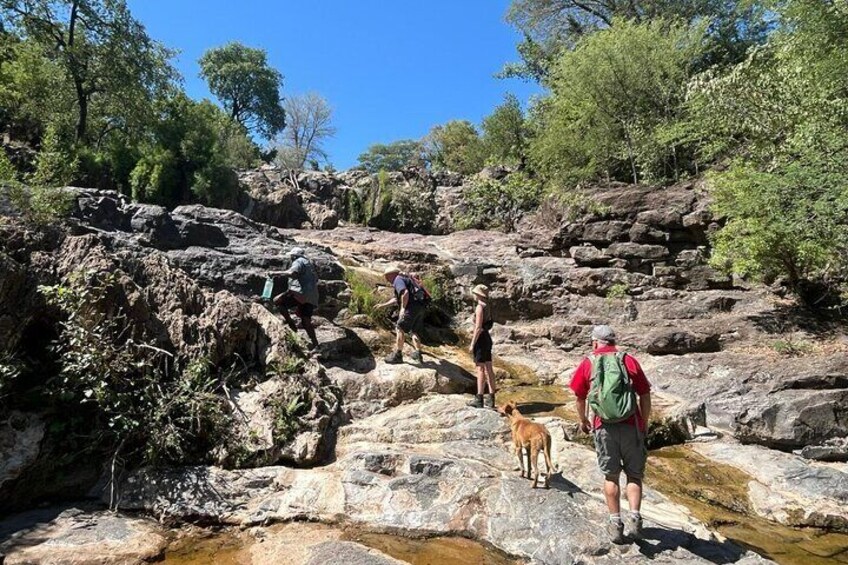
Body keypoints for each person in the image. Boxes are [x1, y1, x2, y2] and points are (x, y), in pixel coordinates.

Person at [569, 325, 652, 544]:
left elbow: (579, 396)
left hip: (603, 426)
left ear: (595, 342)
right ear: (613, 342)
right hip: (631, 425)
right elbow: (644, 393)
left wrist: (583, 420)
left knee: (611, 476)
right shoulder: (628, 360)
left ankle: (615, 524)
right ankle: (635, 518)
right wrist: (643, 423)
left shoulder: (589, 362)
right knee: (634, 475)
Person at [271, 247, 320, 349]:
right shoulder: (309, 264)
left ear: (294, 256)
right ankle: (316, 344)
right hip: (312, 296)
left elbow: (293, 273)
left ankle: (291, 324)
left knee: (277, 301)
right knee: (306, 320)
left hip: (299, 293)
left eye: (291, 257)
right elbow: (316, 279)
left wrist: (275, 273)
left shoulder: (298, 261)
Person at [377, 266, 425, 364]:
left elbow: (405, 293)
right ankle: (418, 354)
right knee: (414, 331)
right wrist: (383, 305)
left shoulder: (397, 280)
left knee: (399, 328)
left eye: (386, 277)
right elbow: (396, 299)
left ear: (391, 275)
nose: (386, 279)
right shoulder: (407, 279)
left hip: (410, 308)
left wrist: (403, 308)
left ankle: (398, 355)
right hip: (420, 308)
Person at [467, 284, 497, 409]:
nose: (473, 295)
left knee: (480, 369)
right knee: (489, 368)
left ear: (478, 294)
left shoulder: (479, 307)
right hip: (487, 338)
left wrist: (472, 343)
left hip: (480, 339)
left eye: (475, 293)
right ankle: (491, 398)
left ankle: (479, 398)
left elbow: (478, 327)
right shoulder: (488, 306)